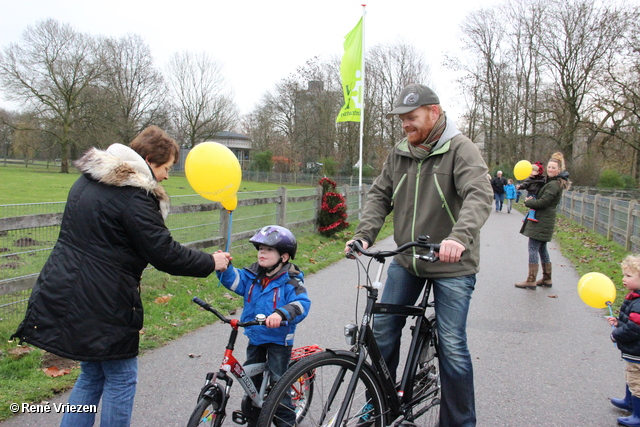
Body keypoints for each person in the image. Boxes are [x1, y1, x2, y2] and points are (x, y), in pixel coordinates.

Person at [11, 125, 232, 427]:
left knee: (91, 374)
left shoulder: (88, 181)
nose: (167, 175)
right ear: (148, 160)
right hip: (104, 299)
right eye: (166, 168)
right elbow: (164, 252)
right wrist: (211, 261)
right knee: (121, 378)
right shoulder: (134, 196)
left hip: (67, 288)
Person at [344, 83, 492, 426]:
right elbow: (380, 195)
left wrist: (459, 237)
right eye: (401, 119)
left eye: (411, 117)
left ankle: (459, 423)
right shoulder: (400, 153)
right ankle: (379, 407)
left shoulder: (461, 149)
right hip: (409, 260)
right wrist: (364, 236)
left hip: (452, 263)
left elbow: (478, 196)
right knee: (382, 331)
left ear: (434, 112)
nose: (405, 125)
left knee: (453, 346)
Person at [217, 225, 310, 427]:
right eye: (260, 249)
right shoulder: (252, 276)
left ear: (283, 257)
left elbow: (302, 304)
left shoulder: (291, 282)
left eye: (268, 250)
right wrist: (225, 269)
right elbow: (236, 282)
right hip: (256, 336)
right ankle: (255, 419)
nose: (262, 253)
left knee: (279, 383)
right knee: (253, 381)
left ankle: (286, 422)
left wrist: (281, 313)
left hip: (278, 340)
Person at [515, 152, 571, 290]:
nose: (550, 170)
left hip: (542, 220)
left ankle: (531, 279)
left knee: (533, 248)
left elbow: (543, 202)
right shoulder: (552, 182)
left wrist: (530, 202)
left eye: (553, 168)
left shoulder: (553, 185)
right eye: (549, 167)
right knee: (542, 249)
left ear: (559, 170)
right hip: (545, 220)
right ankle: (547, 278)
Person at [608, 255, 640, 427]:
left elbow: (635, 328)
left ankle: (638, 415)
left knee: (636, 380)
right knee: (630, 376)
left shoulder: (639, 303)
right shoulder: (634, 297)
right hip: (633, 349)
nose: (623, 279)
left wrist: (617, 334)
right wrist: (619, 323)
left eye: (628, 276)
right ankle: (629, 402)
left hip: (637, 351)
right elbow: (631, 322)